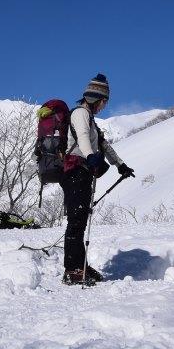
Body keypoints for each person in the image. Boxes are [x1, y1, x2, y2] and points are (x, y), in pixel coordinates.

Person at [61, 73, 135, 285]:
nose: (104, 106)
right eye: (104, 102)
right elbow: (83, 137)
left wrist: (120, 164)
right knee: (76, 221)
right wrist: (90, 156)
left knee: (81, 220)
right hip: (74, 171)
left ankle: (80, 264)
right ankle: (72, 269)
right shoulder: (80, 114)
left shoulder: (91, 120)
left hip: (83, 172)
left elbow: (103, 144)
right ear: (96, 99)